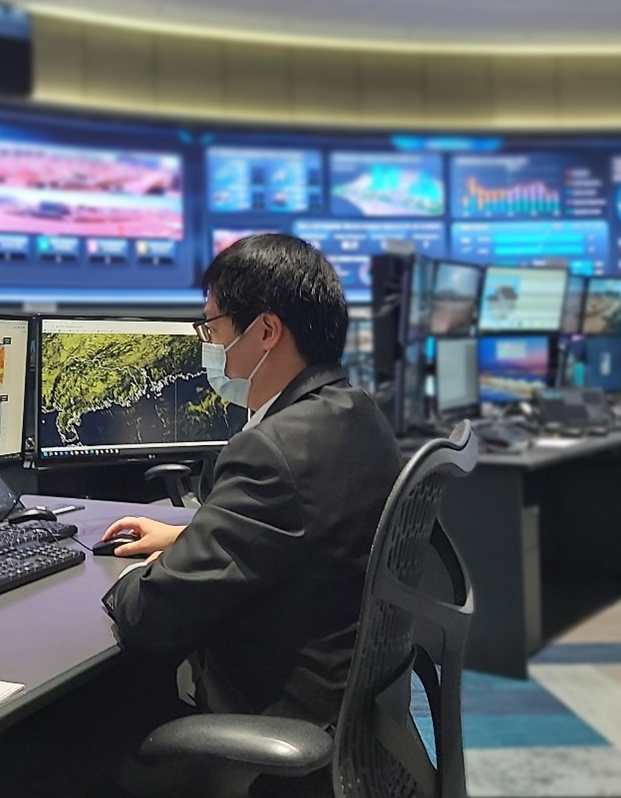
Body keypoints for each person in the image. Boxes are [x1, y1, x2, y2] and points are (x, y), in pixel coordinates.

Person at [101, 233, 402, 726]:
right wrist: (187, 538)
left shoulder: (269, 450)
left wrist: (138, 573)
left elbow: (147, 617)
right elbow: (312, 527)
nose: (211, 342)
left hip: (273, 712)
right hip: (349, 703)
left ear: (265, 331)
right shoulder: (358, 413)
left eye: (212, 325)